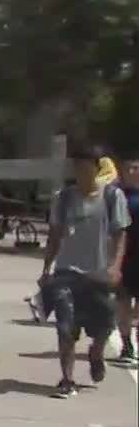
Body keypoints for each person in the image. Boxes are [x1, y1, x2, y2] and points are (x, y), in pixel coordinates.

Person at [40, 143, 131, 397]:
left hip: (99, 274)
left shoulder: (112, 197)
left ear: (96, 167)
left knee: (104, 326)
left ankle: (96, 352)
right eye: (76, 167)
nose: (80, 172)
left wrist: (115, 266)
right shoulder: (64, 198)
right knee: (65, 327)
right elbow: (55, 235)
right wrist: (46, 268)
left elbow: (120, 236)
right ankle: (67, 379)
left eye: (85, 167)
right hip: (66, 273)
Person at [113, 153, 139, 365]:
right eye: (128, 168)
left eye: (136, 168)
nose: (131, 172)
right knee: (123, 303)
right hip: (123, 258)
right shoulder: (117, 195)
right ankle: (126, 344)